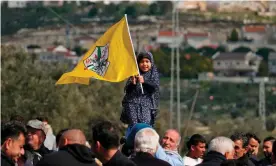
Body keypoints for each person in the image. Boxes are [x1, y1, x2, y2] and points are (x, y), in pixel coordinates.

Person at [120, 52, 160, 133]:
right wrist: (133, 84)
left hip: (146, 106)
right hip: (132, 105)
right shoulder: (134, 74)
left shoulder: (153, 74)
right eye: (142, 62)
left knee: (145, 128)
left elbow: (154, 88)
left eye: (147, 61)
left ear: (151, 63)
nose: (144, 64)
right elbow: (127, 90)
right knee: (134, 128)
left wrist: (144, 82)